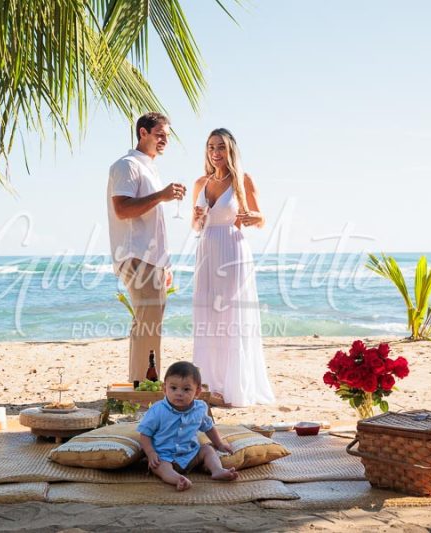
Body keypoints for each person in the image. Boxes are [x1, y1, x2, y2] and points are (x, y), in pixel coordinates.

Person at [190, 128, 275, 407]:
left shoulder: (243, 180)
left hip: (233, 248)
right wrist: (197, 217)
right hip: (206, 249)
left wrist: (252, 217)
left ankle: (233, 386)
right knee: (208, 316)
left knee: (230, 316)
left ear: (231, 150)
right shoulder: (200, 183)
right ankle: (210, 385)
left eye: (221, 147)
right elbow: (196, 225)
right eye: (211, 147)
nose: (216, 153)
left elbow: (261, 218)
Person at [107, 112, 187, 381]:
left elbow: (155, 224)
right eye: (160, 134)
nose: (165, 140)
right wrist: (162, 195)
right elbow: (122, 209)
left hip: (152, 259)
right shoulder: (126, 165)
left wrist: (165, 264)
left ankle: (141, 385)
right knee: (148, 326)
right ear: (143, 133)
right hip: (136, 255)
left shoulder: (148, 167)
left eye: (167, 136)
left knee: (147, 325)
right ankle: (144, 388)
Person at [137, 361, 239, 491]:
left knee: (207, 450)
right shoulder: (158, 410)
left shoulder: (200, 408)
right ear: (164, 388)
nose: (179, 393)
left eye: (186, 389)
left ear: (197, 391)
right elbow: (145, 434)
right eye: (173, 388)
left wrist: (219, 444)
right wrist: (151, 453)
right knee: (159, 466)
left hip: (191, 454)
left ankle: (217, 470)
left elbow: (208, 427)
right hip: (165, 456)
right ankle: (177, 479)